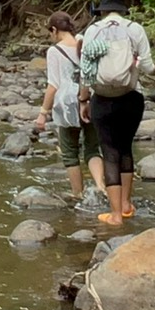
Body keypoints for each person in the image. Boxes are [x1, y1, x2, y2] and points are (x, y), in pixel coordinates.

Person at [78, 0, 155, 227]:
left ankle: (115, 214)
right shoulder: (134, 29)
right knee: (126, 149)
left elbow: (86, 72)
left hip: (103, 99)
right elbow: (147, 68)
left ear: (102, 10)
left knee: (109, 152)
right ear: (123, 9)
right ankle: (127, 205)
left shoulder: (93, 31)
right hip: (131, 98)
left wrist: (83, 101)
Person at [34, 11, 103, 199]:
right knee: (92, 149)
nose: (51, 36)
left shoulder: (54, 51)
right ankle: (101, 186)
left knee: (70, 153)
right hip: (90, 99)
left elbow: (53, 85)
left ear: (55, 30)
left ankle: (78, 194)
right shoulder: (85, 42)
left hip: (67, 106)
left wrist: (43, 113)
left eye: (50, 32)